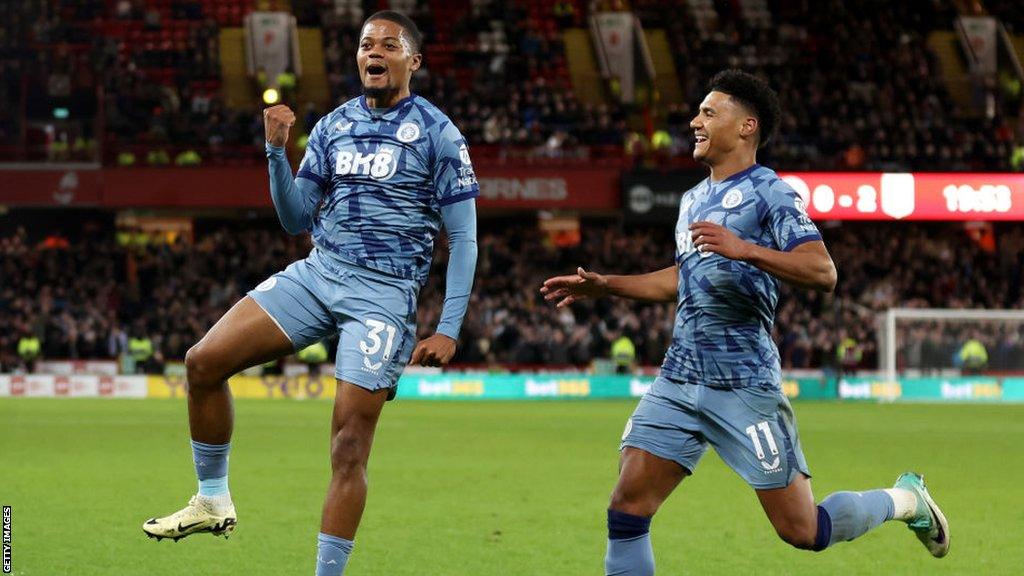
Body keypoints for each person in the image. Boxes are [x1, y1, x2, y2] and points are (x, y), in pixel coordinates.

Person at [541, 70, 949, 575]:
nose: (694, 121)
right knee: (627, 508)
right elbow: (682, 279)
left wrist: (747, 249)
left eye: (709, 113)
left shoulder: (769, 192)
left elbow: (823, 272)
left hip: (743, 384)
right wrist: (607, 285)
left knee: (804, 531)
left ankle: (905, 501)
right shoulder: (692, 199)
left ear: (746, 126)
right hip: (679, 378)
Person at [142, 11, 479, 576]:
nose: (374, 51)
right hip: (319, 272)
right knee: (202, 363)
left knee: (348, 446)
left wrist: (448, 326)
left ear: (412, 61)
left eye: (389, 45)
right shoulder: (332, 127)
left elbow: (464, 238)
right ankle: (212, 498)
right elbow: (295, 217)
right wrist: (277, 152)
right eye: (366, 43)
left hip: (384, 295)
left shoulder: (440, 134)